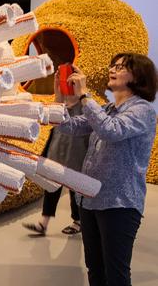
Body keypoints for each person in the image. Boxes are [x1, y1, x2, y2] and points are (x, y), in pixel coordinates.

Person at [58, 53, 157, 286]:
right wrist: (60, 98)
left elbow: (110, 130)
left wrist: (84, 95)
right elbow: (69, 126)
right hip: (90, 200)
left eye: (121, 67)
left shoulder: (143, 110)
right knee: (95, 269)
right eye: (113, 65)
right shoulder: (108, 108)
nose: (113, 69)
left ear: (138, 76)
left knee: (116, 275)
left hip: (119, 203)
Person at [22, 103, 89, 236]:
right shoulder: (62, 105)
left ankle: (78, 221)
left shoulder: (84, 106)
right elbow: (55, 130)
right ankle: (43, 223)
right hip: (57, 152)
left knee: (74, 188)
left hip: (76, 154)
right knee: (52, 186)